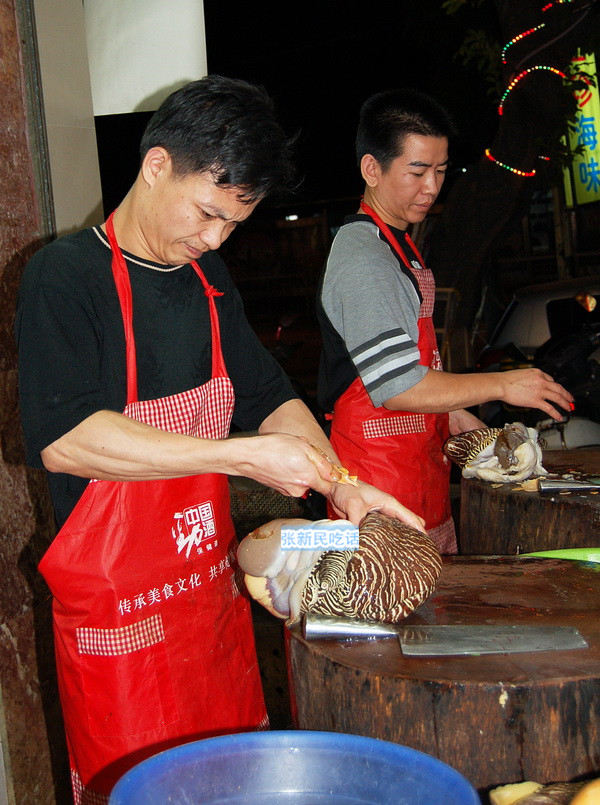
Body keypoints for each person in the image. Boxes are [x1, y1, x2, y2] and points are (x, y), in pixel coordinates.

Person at [15, 75, 424, 802]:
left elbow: (267, 395)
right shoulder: (65, 276)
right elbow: (66, 439)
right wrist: (235, 454)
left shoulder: (208, 280)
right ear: (155, 165)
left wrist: (340, 482)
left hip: (209, 614)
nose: (212, 239)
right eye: (206, 213)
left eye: (232, 225)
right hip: (122, 635)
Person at [316, 87, 574, 555]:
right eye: (417, 171)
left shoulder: (397, 244)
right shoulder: (365, 260)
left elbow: (408, 368)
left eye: (440, 170)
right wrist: (502, 386)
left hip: (418, 477)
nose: (432, 187)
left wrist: (466, 425)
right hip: (377, 491)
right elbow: (397, 386)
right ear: (371, 169)